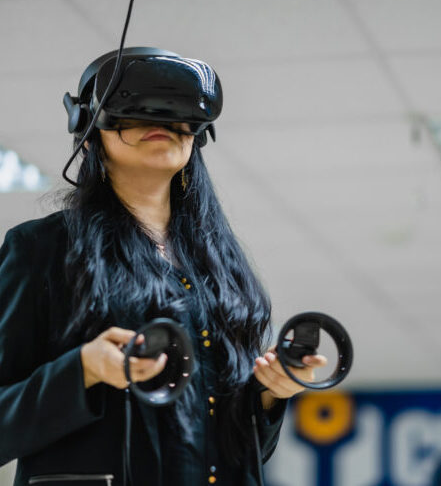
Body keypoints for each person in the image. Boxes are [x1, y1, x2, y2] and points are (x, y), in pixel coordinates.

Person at [0, 48, 327, 486]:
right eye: (134, 113)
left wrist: (269, 394)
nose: (160, 124)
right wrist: (84, 370)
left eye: (177, 117)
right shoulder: (42, 249)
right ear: (90, 131)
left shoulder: (219, 265)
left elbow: (232, 448)